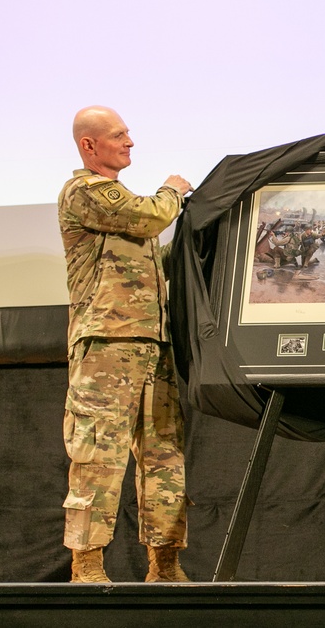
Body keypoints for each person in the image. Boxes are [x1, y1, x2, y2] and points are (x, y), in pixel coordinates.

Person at [58, 106, 193, 583]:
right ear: (89, 146)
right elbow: (148, 217)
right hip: (107, 346)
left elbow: (155, 255)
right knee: (99, 456)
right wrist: (173, 191)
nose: (130, 141)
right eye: (119, 135)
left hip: (153, 344)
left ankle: (165, 563)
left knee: (164, 457)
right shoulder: (86, 192)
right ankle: (87, 564)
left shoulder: (124, 206)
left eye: (129, 134)